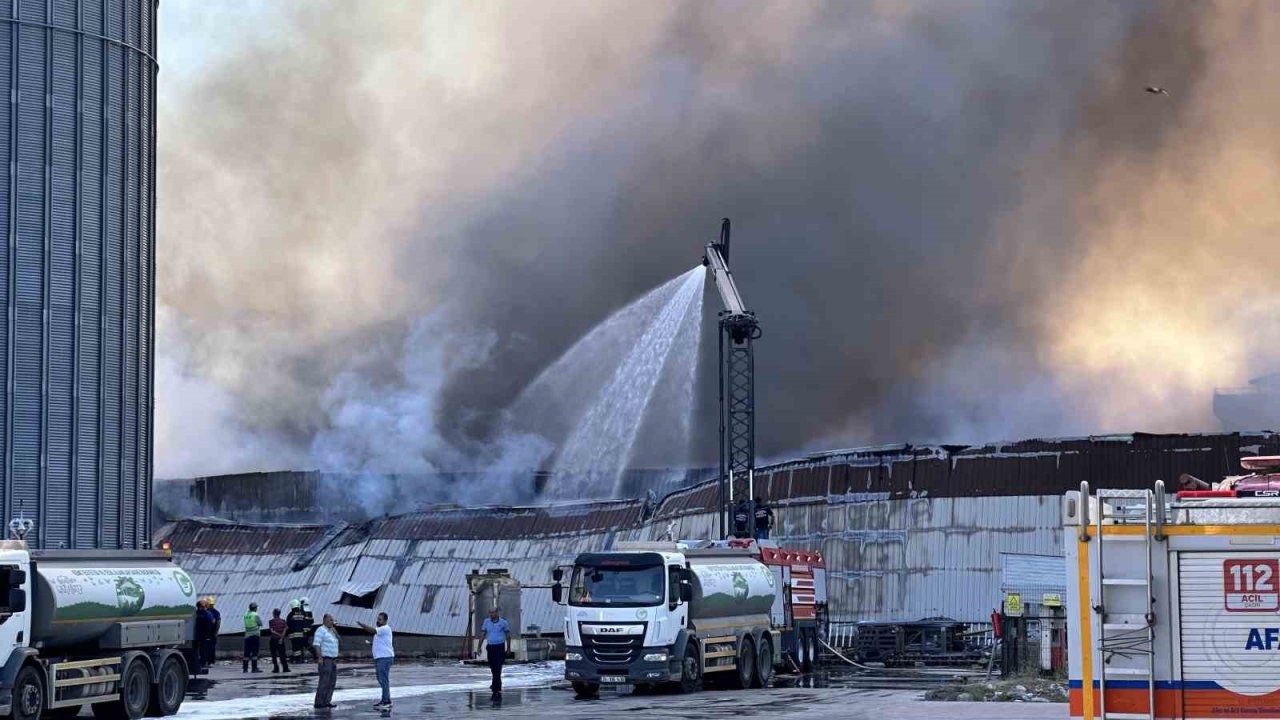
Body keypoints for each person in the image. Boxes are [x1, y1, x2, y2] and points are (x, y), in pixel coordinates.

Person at [358, 612, 394, 710]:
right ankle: (384, 699)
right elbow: (381, 643)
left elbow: (372, 630)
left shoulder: (385, 628)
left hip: (385, 657)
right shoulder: (380, 631)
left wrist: (362, 625)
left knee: (383, 679)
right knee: (381, 679)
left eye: (380, 619)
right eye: (378, 619)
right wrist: (371, 644)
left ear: (385, 621)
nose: (378, 621)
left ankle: (387, 701)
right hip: (380, 658)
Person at [479, 607, 511, 694]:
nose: (490, 615)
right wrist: (479, 647)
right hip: (490, 647)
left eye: (492, 613)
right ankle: (496, 684)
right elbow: (482, 635)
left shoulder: (503, 622)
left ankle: (496, 686)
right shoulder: (486, 622)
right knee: (493, 667)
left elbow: (508, 636)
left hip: (499, 647)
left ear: (497, 613)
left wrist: (508, 648)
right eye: (489, 613)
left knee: (498, 666)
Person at [312, 614, 340, 710]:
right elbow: (316, 644)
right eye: (330, 620)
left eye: (333, 620)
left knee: (332, 681)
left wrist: (335, 631)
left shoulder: (331, 631)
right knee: (324, 681)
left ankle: (327, 701)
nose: (332, 622)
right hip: (325, 659)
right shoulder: (321, 630)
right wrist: (319, 657)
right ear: (324, 620)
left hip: (332, 659)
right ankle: (319, 702)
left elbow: (339, 639)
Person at [193, 600, 213, 675]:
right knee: (203, 650)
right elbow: (211, 623)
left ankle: (198, 662)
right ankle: (202, 663)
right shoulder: (207, 614)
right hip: (205, 635)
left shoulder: (195, 614)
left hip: (197, 635)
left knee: (197, 649)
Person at [243, 602, 263, 673]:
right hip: (255, 635)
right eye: (256, 607)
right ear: (254, 608)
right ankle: (254, 668)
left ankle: (245, 669)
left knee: (246, 652)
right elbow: (260, 623)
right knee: (254, 652)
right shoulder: (255, 615)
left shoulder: (246, 615)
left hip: (247, 636)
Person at [268, 608, 290, 673]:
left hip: (273, 640)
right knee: (282, 654)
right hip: (281, 640)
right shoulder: (283, 621)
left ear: (273, 614)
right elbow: (285, 629)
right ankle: (285, 668)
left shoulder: (271, 621)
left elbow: (272, 631)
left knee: (274, 654)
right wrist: (281, 637)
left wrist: (278, 635)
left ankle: (276, 668)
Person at [205, 597, 222, 665]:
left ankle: (206, 661)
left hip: (207, 633)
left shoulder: (206, 612)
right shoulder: (216, 612)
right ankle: (211, 661)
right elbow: (218, 623)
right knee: (212, 647)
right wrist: (216, 632)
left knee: (206, 647)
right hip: (213, 633)